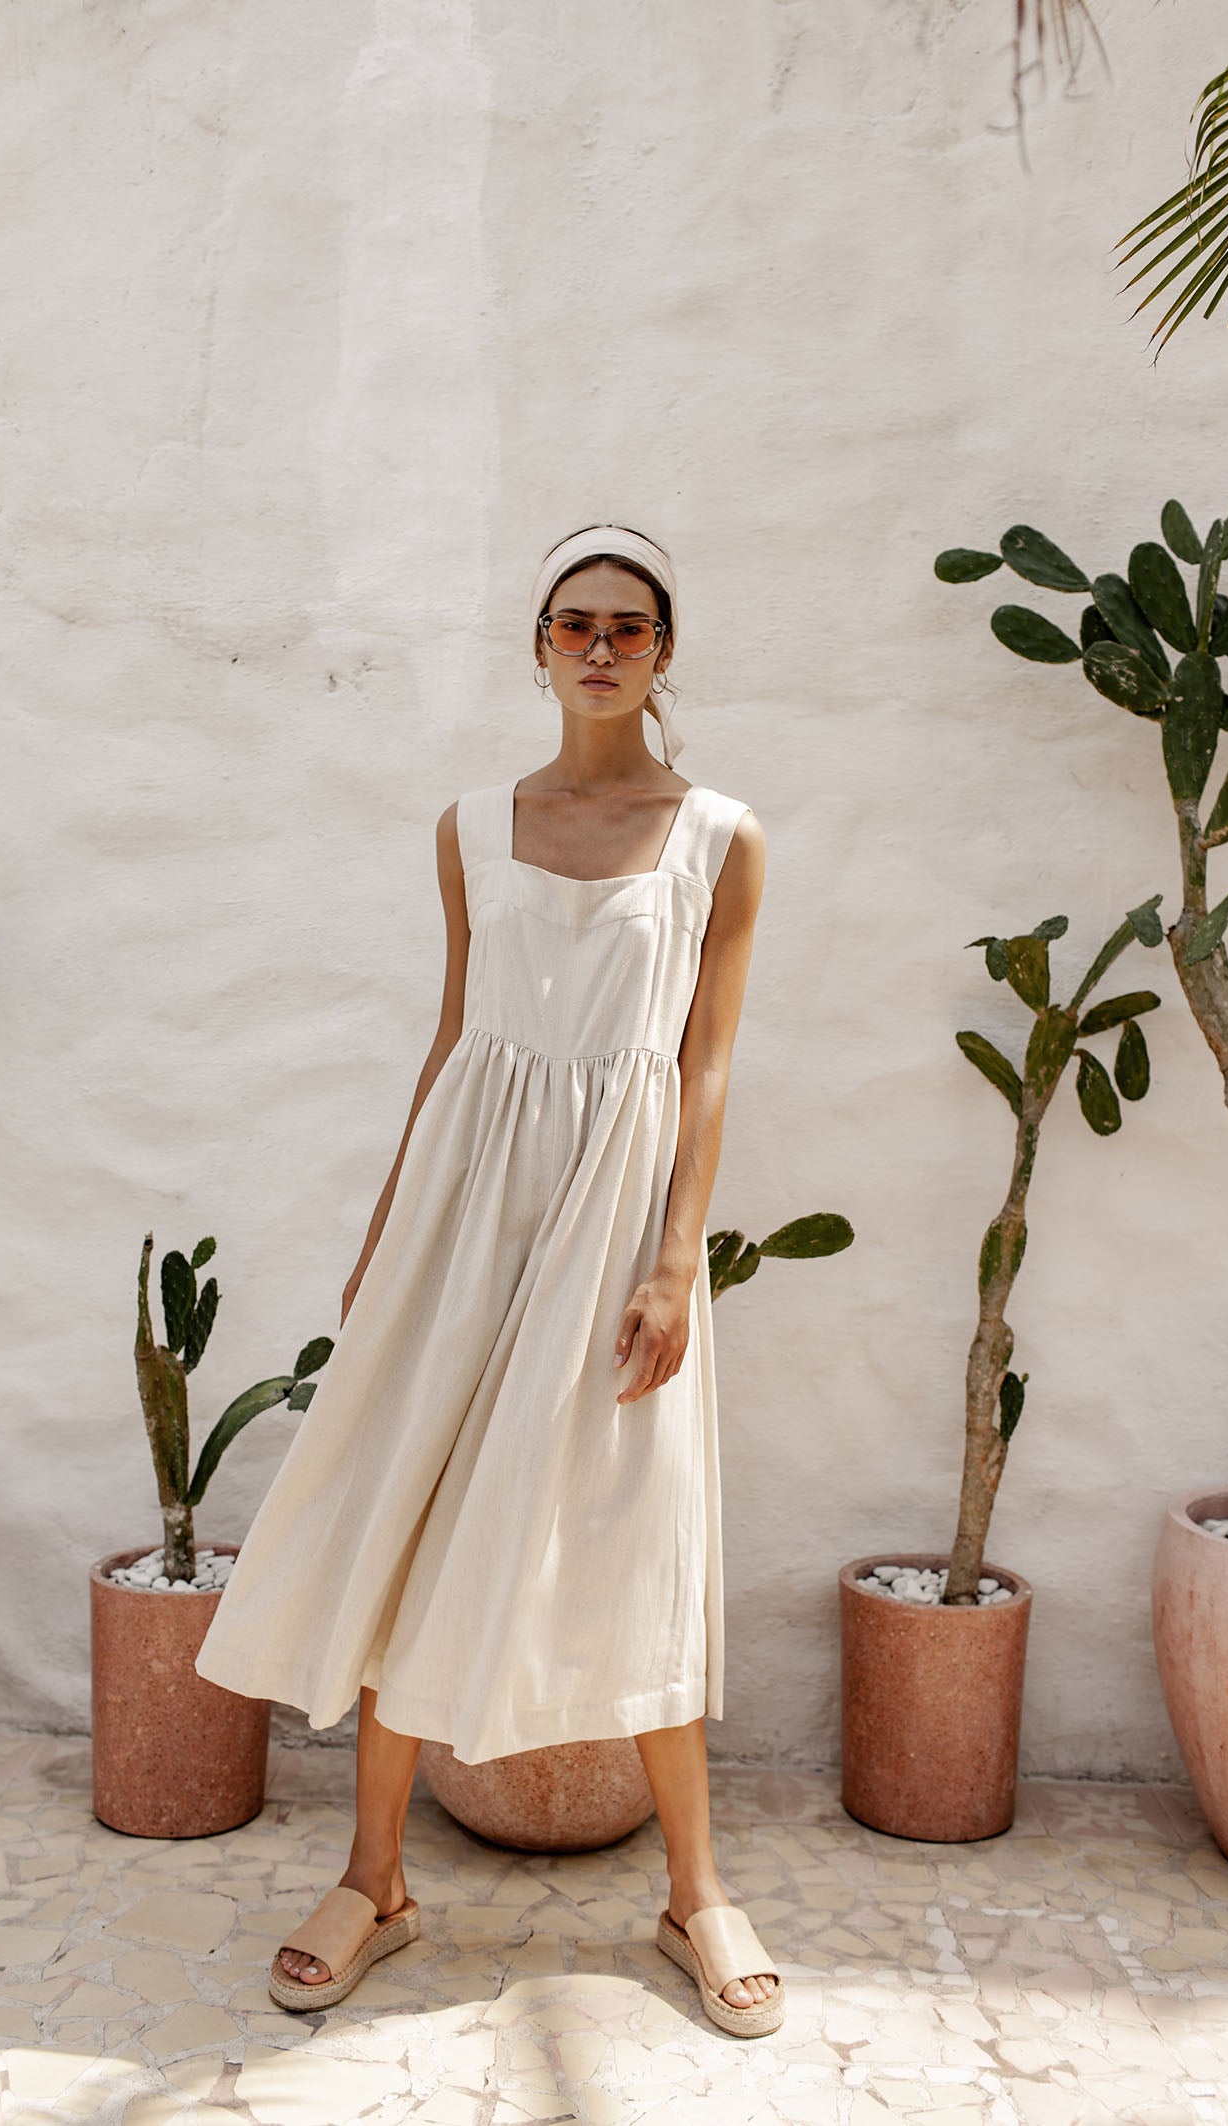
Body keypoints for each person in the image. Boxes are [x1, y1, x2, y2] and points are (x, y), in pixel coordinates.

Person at [193, 524, 779, 2037]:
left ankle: (695, 1892)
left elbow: (705, 1069)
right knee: (415, 1507)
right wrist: (393, 1226)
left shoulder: (720, 834)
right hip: (468, 1202)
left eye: (629, 627)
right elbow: (455, 1036)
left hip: (613, 1216)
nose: (598, 645)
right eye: (572, 622)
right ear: (536, 647)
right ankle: (374, 1879)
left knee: (634, 1519)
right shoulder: (466, 822)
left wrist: (671, 1256)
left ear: (662, 654)